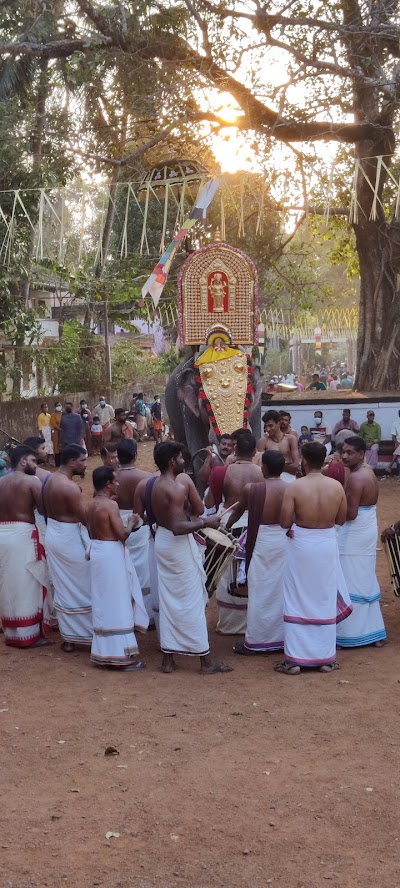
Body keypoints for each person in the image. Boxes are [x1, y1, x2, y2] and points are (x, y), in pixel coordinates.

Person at [148, 441, 232, 674]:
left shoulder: (156, 484)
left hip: (163, 542)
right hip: (175, 544)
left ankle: (168, 660)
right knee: (191, 601)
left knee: (169, 601)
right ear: (172, 461)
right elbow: (178, 526)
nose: (184, 461)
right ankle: (205, 661)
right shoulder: (174, 489)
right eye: (180, 458)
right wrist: (207, 521)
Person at [277, 442, 351, 674]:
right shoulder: (336, 487)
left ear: (304, 461)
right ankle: (325, 658)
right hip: (327, 543)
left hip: (302, 544)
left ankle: (295, 660)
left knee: (297, 596)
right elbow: (341, 519)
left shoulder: (294, 487)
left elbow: (284, 522)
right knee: (324, 595)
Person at [226, 451, 288, 655]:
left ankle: (257, 640)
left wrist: (225, 528)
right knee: (281, 590)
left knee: (260, 590)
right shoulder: (290, 489)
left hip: (261, 542)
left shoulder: (252, 489)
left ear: (264, 468)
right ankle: (282, 638)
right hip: (284, 542)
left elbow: (237, 512)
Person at [86, 466, 148, 670]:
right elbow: (122, 535)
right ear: (107, 484)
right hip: (111, 554)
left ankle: (103, 652)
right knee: (118, 601)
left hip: (97, 552)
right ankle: (122, 655)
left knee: (103, 600)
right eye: (115, 480)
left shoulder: (90, 505)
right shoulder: (110, 505)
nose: (118, 484)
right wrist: (131, 523)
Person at [336, 436, 387, 648]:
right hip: (367, 528)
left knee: (349, 575)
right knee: (363, 574)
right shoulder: (367, 472)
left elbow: (350, 514)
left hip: (355, 531)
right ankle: (373, 631)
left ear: (361, 454)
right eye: (343, 452)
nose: (345, 456)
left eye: (350, 452)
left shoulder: (357, 478)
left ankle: (349, 633)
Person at [211, 432, 263, 635]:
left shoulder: (224, 471)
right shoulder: (260, 473)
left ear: (235, 449)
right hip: (253, 524)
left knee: (226, 572)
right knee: (251, 570)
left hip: (229, 523)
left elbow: (215, 501)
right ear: (254, 452)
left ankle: (229, 625)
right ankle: (250, 622)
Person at [0, 445, 51, 647]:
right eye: (33, 461)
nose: (35, 465)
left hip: (2, 533)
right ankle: (28, 634)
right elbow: (43, 509)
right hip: (22, 534)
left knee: (7, 582)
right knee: (27, 583)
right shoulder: (32, 481)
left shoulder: (1, 482)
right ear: (22, 461)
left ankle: (12, 632)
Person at [43, 444, 92, 652]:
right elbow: (85, 519)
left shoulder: (49, 480)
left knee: (63, 585)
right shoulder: (69, 487)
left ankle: (69, 638)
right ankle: (88, 634)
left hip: (54, 533)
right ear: (72, 461)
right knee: (83, 583)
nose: (85, 465)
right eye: (83, 460)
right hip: (69, 536)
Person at [115, 440, 154, 625]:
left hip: (117, 524)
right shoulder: (145, 477)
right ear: (135, 455)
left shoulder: (111, 477)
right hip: (139, 524)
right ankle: (145, 614)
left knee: (121, 567)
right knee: (143, 570)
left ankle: (125, 612)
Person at [257, 410, 299, 478]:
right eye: (266, 426)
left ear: (278, 423)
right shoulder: (262, 442)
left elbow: (296, 465)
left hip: (289, 478)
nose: (268, 429)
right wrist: (286, 465)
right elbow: (261, 466)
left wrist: (273, 466)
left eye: (270, 426)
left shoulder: (291, 439)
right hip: (270, 479)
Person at [50, 401, 63, 467]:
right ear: (55, 407)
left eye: (59, 405)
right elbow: (54, 425)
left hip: (64, 433)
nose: (59, 406)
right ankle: (58, 464)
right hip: (57, 433)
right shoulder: (53, 415)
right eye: (57, 405)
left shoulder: (63, 414)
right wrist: (60, 429)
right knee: (57, 447)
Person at [389, 409, 400, 473]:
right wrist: (396, 442)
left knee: (399, 449)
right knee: (399, 447)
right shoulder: (395, 424)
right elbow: (393, 437)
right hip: (398, 442)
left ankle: (389, 466)